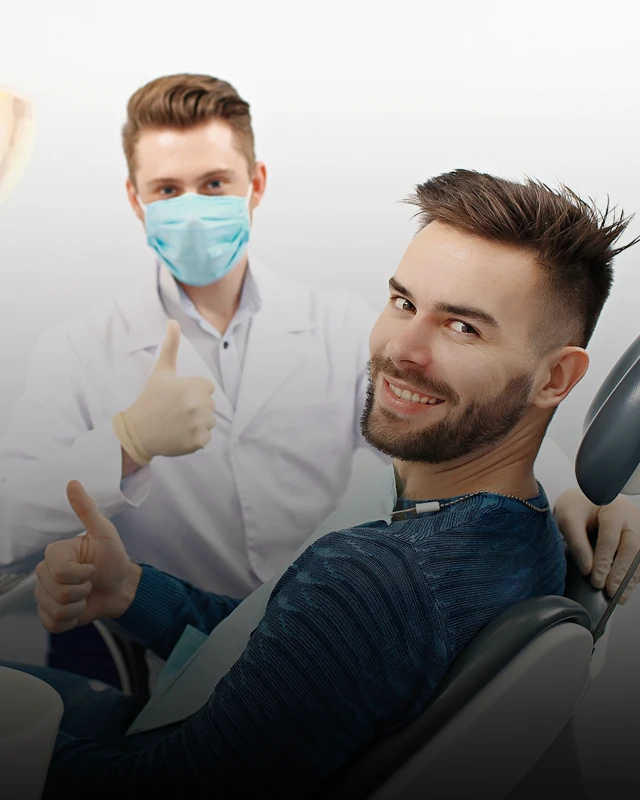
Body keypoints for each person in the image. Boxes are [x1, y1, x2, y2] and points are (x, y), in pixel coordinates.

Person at [6, 170, 637, 799]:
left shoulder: (374, 581)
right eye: (404, 303)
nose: (402, 349)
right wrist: (132, 591)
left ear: (556, 379)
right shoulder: (521, 530)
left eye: (462, 327)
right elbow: (284, 658)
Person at [0, 73, 638, 612]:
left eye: (215, 184)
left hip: (321, 617)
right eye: (167, 190)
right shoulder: (76, 353)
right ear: (136, 201)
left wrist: (578, 492)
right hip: (169, 627)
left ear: (256, 185)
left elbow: (460, 415)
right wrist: (127, 443)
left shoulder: (338, 329)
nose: (191, 208)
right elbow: (9, 530)